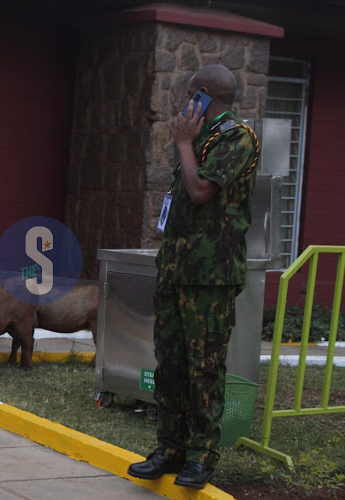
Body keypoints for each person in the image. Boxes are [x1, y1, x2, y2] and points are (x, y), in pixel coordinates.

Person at [127, 64, 260, 490]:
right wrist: (187, 141)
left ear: (202, 95)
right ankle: (169, 448)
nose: (185, 103)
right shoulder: (200, 137)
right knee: (170, 364)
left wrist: (183, 141)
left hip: (210, 275)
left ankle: (201, 456)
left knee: (203, 368)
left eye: (189, 95)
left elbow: (202, 191)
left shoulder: (238, 137)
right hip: (176, 268)